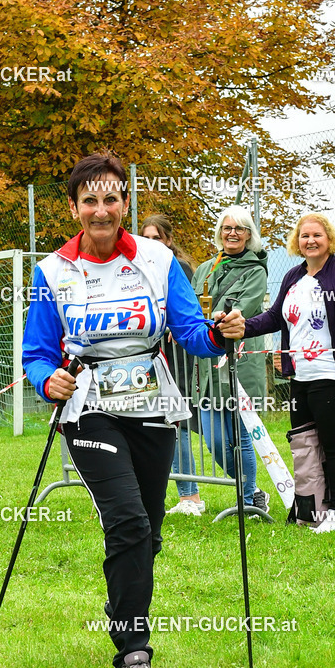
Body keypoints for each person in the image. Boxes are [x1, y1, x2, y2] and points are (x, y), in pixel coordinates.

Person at [22, 152, 232, 668]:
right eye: (89, 200)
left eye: (110, 199)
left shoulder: (158, 260)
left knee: (148, 532)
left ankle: (122, 604)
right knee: (129, 523)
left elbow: (191, 332)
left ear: (124, 204)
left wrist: (218, 334)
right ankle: (134, 653)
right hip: (89, 409)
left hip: (152, 407)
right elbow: (37, 353)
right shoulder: (52, 272)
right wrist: (48, 381)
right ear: (74, 208)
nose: (101, 210)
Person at [220, 212, 335, 533]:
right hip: (300, 377)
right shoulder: (293, 276)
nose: (310, 241)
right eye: (304, 236)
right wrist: (242, 327)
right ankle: (310, 511)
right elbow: (274, 318)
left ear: (329, 239)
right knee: (305, 446)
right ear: (297, 241)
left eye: (317, 235)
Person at [191, 206, 270, 513]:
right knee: (213, 441)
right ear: (219, 233)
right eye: (227, 228)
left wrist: (206, 322)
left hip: (239, 362)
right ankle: (254, 490)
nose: (232, 233)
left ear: (249, 235)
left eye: (239, 228)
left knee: (239, 437)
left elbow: (242, 309)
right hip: (207, 365)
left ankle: (248, 501)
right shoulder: (205, 268)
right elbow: (190, 307)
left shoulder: (256, 270)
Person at [141, 213, 204, 516]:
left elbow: (184, 314)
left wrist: (169, 325)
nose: (152, 243)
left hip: (175, 358)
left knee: (175, 423)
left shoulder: (179, 267)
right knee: (152, 424)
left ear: (168, 240)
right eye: (146, 238)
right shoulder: (136, 268)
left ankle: (190, 495)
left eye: (157, 238)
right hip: (145, 360)